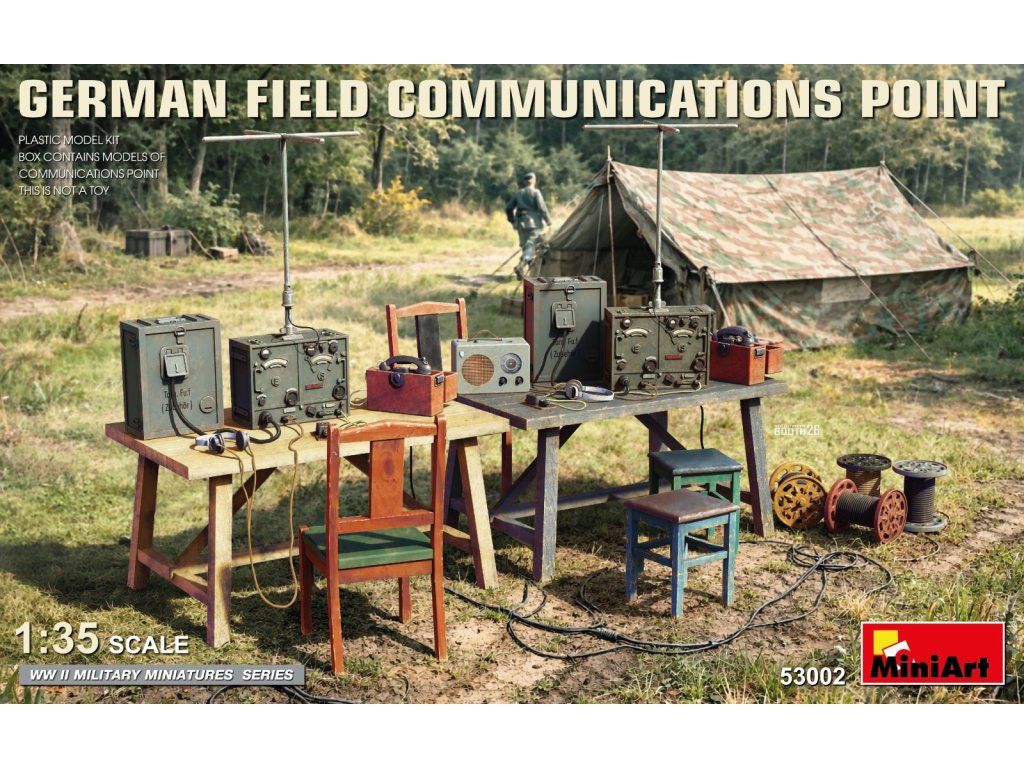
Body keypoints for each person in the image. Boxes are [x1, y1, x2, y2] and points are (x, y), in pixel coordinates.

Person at [505, 172, 552, 279]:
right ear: (534, 181)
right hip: (534, 224)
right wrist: (548, 221)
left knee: (526, 247)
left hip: (520, 224)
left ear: (525, 182)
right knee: (531, 246)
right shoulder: (535, 192)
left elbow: (508, 208)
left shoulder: (518, 193)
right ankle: (521, 266)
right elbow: (542, 208)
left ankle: (528, 274)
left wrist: (513, 220)